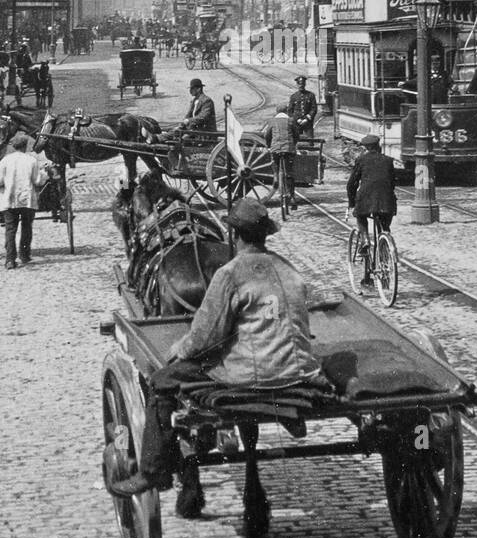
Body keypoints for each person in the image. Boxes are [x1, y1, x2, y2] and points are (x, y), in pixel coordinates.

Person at [108, 200, 339, 498]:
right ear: (265, 234)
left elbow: (204, 336)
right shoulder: (290, 269)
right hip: (300, 372)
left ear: (234, 236)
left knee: (161, 382)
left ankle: (153, 471)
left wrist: (177, 350)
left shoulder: (229, 274)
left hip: (249, 376)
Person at [0, 130, 48, 269]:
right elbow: (38, 180)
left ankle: (10, 259)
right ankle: (24, 254)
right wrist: (45, 175)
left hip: (9, 199)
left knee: (10, 229)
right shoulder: (32, 161)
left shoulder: (5, 160)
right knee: (27, 227)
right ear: (25, 146)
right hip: (27, 200)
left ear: (13, 146)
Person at [346, 132, 397, 285]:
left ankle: (364, 239)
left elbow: (352, 184)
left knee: (360, 216)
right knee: (384, 230)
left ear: (365, 148)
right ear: (379, 146)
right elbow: (392, 182)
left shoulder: (361, 160)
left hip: (366, 199)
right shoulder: (388, 161)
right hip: (386, 201)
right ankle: (385, 264)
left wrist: (351, 202)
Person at [264, 104, 298, 210]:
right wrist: (293, 144)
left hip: (276, 148)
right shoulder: (291, 121)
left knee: (275, 162)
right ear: (286, 111)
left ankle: (275, 176)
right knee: (289, 172)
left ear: (277, 112)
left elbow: (267, 135)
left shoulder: (272, 121)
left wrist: (269, 145)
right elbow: (296, 135)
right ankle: (292, 197)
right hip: (288, 149)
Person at [287, 75, 318, 141]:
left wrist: (307, 119)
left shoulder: (311, 95)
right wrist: (297, 119)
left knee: (310, 141)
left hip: (308, 123)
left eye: (302, 84)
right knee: (296, 141)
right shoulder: (293, 96)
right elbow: (290, 111)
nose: (301, 86)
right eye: (299, 84)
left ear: (305, 84)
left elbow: (314, 109)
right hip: (296, 123)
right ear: (297, 85)